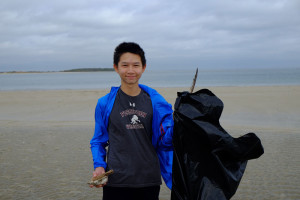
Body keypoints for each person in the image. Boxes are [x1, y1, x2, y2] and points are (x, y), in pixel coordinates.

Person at [89, 42, 174, 200]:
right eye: (125, 65)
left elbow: (166, 141)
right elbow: (98, 140)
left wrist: (180, 122)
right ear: (116, 67)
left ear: (143, 67)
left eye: (136, 65)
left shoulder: (156, 103)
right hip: (116, 181)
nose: (130, 70)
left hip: (148, 180)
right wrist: (99, 165)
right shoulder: (104, 103)